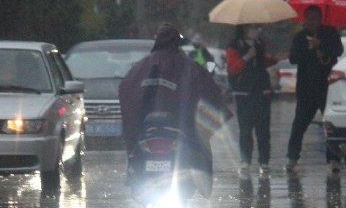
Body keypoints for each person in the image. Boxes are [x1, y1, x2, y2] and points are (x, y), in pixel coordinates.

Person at [119, 23, 232, 173]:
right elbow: (208, 90)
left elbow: (126, 90)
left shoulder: (141, 67)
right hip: (180, 125)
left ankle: (133, 171)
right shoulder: (188, 65)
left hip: (147, 128)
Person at [285, 5, 344, 173]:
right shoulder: (299, 38)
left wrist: (321, 46)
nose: (311, 22)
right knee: (299, 124)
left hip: (327, 87)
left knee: (330, 125)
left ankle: (333, 159)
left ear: (320, 19)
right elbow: (293, 58)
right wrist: (308, 49)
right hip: (306, 89)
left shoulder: (330, 33)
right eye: (308, 18)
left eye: (314, 18)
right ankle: (292, 157)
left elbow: (338, 50)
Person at [226, 23, 286, 177]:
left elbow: (264, 60)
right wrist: (247, 56)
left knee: (263, 130)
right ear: (244, 28)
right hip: (243, 93)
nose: (255, 30)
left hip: (262, 91)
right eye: (251, 27)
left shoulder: (260, 43)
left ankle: (264, 162)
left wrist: (273, 59)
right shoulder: (234, 45)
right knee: (245, 129)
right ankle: (245, 161)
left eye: (256, 26)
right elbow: (232, 68)